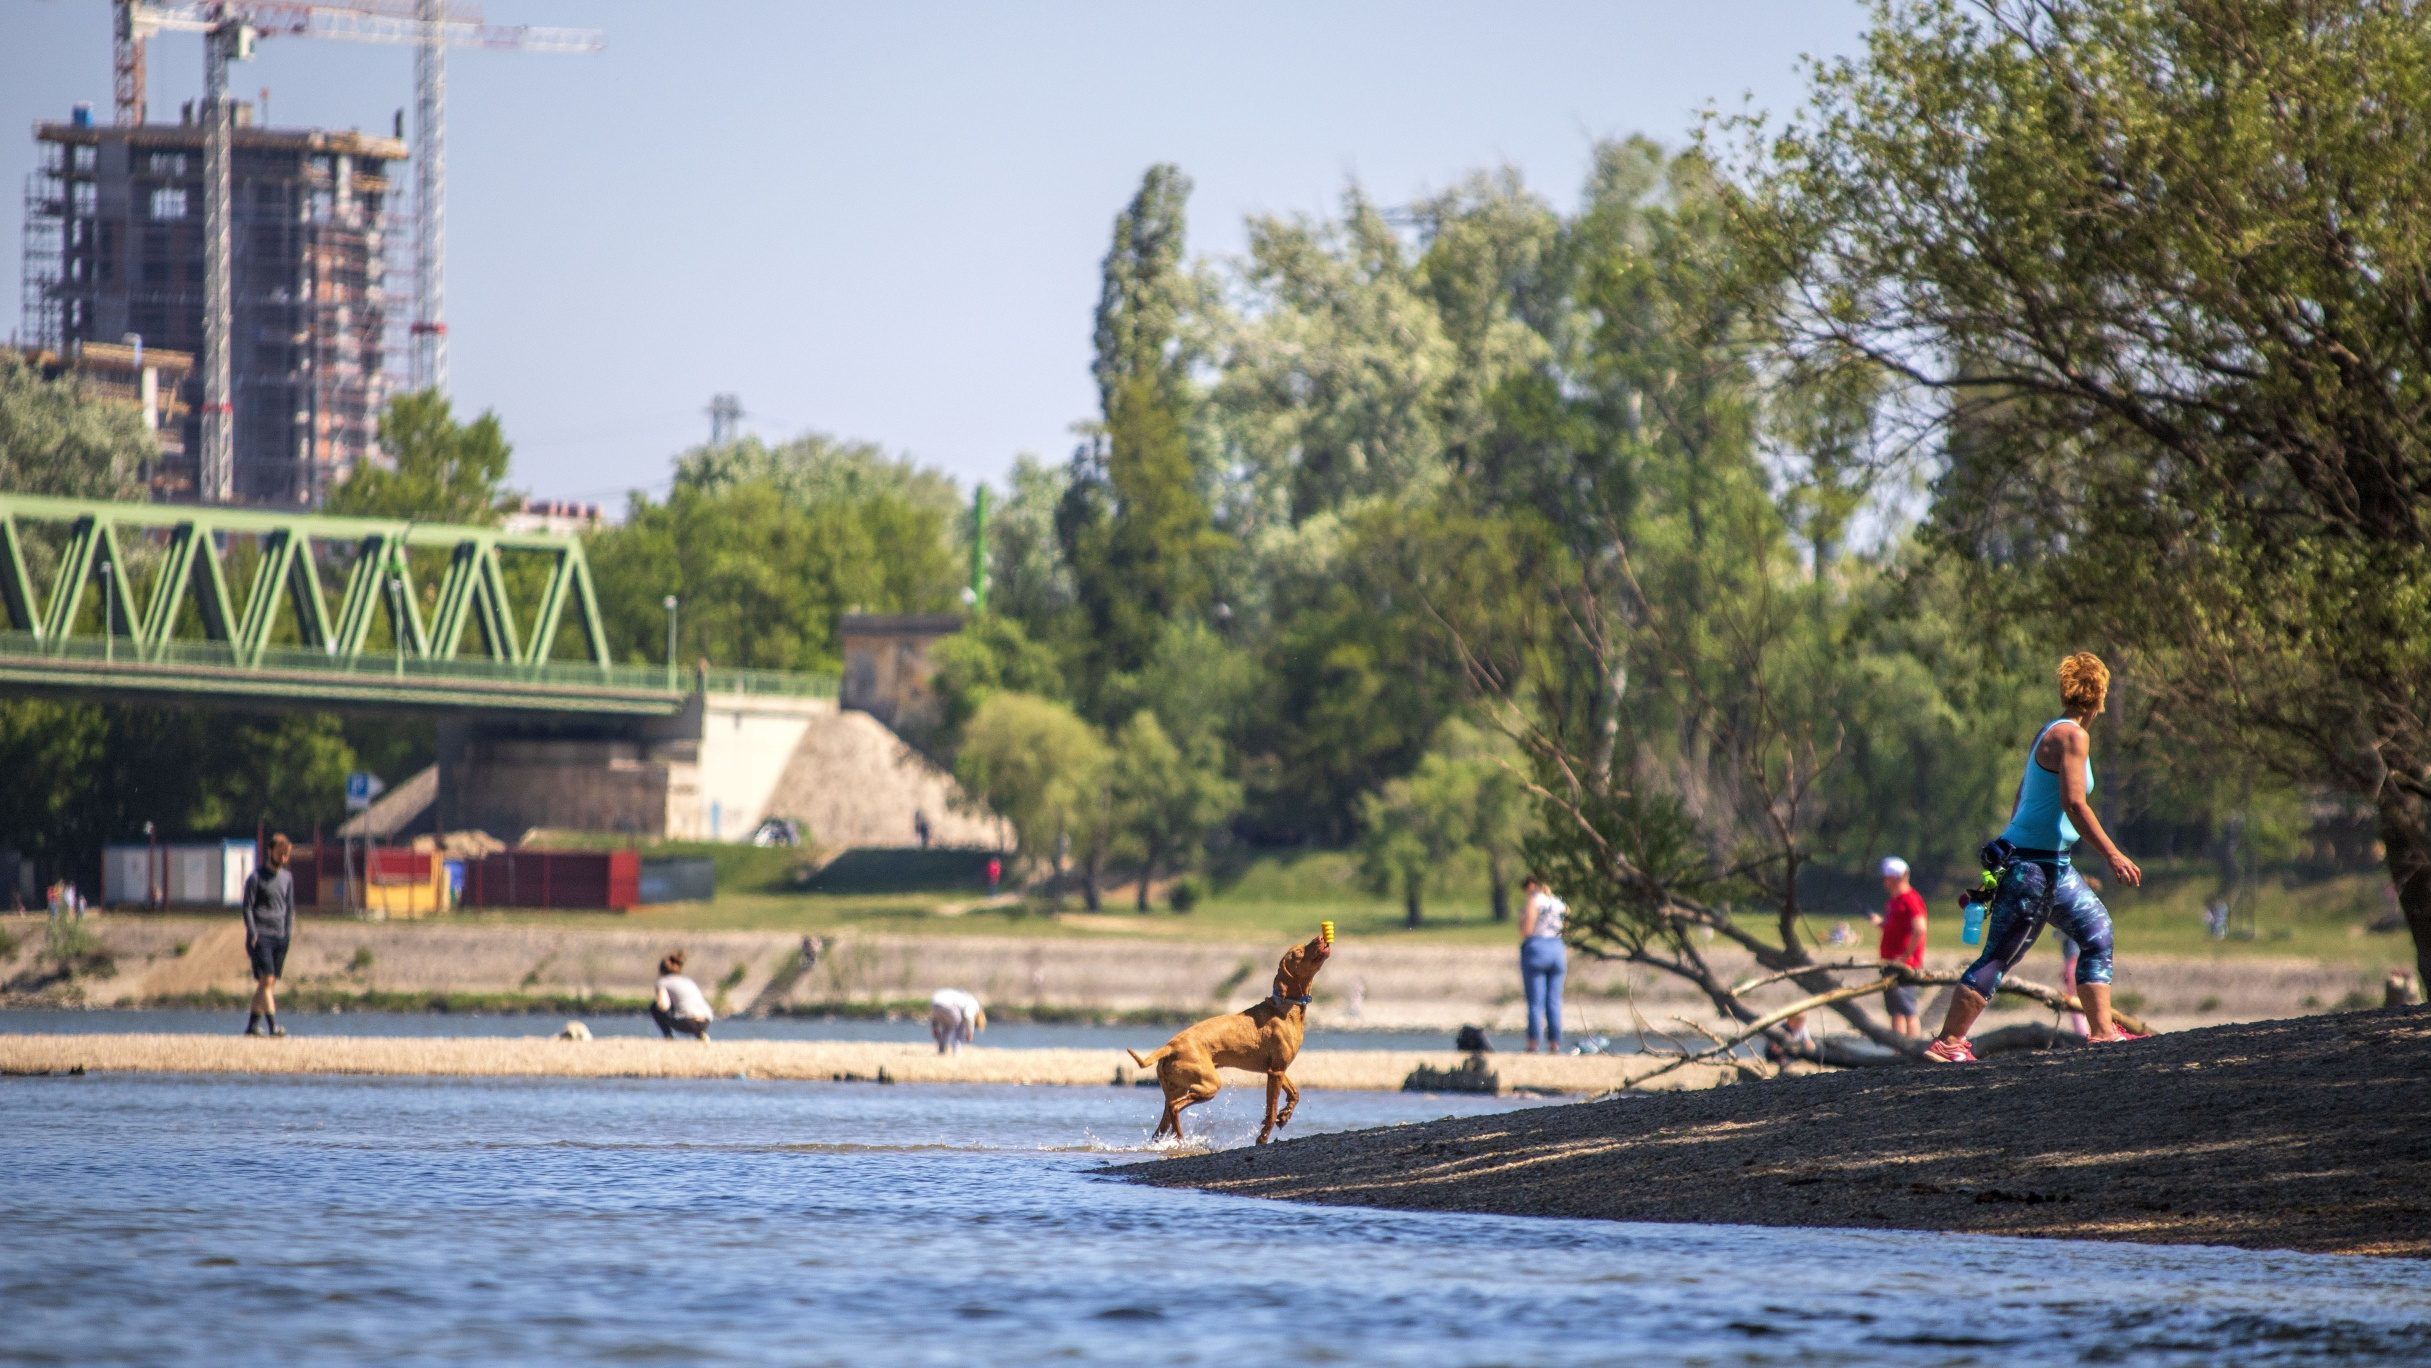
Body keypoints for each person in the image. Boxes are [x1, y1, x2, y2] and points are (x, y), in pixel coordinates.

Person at [1926, 652, 2144, 1062]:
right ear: (2100, 696)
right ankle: (1948, 1043)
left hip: (2051, 865)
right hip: (2031, 868)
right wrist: (2113, 854)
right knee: (2001, 955)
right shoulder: (2073, 737)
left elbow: (2021, 795)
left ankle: (2101, 1033)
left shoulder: (2053, 730)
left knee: (2097, 932)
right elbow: (2075, 804)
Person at [242, 835, 296, 1038]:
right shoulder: (255, 878)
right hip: (261, 935)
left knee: (268, 984)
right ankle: (273, 1026)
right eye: (280, 854)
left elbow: (290, 908)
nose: (283, 858)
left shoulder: (287, 878)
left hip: (280, 936)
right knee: (267, 979)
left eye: (286, 855)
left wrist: (288, 932)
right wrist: (252, 931)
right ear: (270, 851)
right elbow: (247, 907)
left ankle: (252, 1026)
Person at [1868, 856, 1928, 1037]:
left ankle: (1914, 1048)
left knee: (1908, 1009)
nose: (1884, 881)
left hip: (1904, 965)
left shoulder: (1910, 899)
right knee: (1895, 1011)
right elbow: (1895, 927)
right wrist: (1879, 922)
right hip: (1889, 963)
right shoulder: (1894, 901)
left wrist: (1906, 955)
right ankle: (1899, 1050)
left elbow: (1919, 928)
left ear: (1899, 877)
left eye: (1887, 877)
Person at [1518, 874, 1568, 1053]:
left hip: (1537, 949)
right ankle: (1554, 1044)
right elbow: (1566, 927)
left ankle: (1533, 1043)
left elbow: (1527, 930)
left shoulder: (1534, 901)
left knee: (1535, 1002)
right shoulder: (1558, 902)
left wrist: (1522, 918)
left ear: (1532, 886)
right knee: (1554, 1001)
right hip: (1557, 949)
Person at [651, 951, 714, 1040]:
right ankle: (700, 1034)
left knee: (654, 1007)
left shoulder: (662, 982)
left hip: (687, 1022)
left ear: (661, 971)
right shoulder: (688, 981)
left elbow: (663, 1005)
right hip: (706, 1020)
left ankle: (668, 1036)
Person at [928, 988, 986, 1054]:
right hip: (948, 1005)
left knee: (947, 1026)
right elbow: (968, 1016)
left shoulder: (963, 997)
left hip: (935, 1002)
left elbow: (935, 1016)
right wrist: (969, 1033)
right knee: (960, 1025)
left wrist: (934, 1027)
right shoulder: (974, 1005)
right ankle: (956, 1050)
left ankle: (942, 1049)